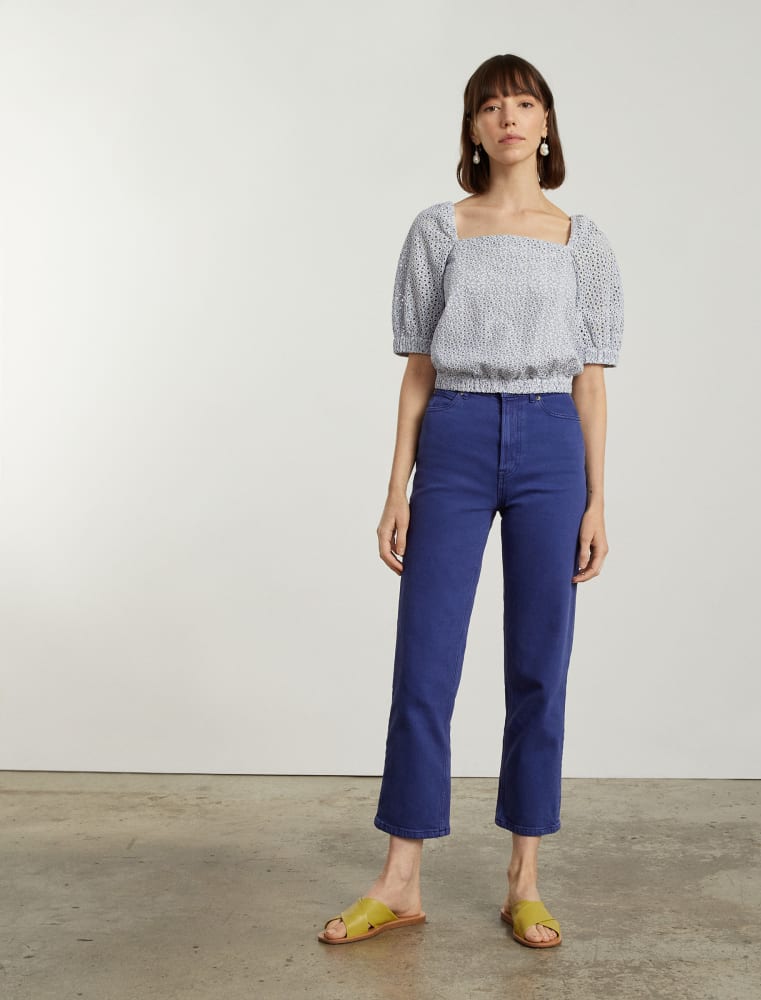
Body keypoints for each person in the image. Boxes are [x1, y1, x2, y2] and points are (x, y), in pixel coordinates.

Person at [318, 53, 624, 950]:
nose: (509, 118)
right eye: (492, 106)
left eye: (524, 103)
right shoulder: (438, 229)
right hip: (453, 435)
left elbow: (591, 382)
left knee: (539, 665)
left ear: (547, 122)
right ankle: (400, 878)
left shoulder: (582, 241)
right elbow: (418, 369)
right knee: (424, 662)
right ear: (474, 127)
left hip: (550, 445)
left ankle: (524, 879)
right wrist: (396, 487)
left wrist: (598, 499)